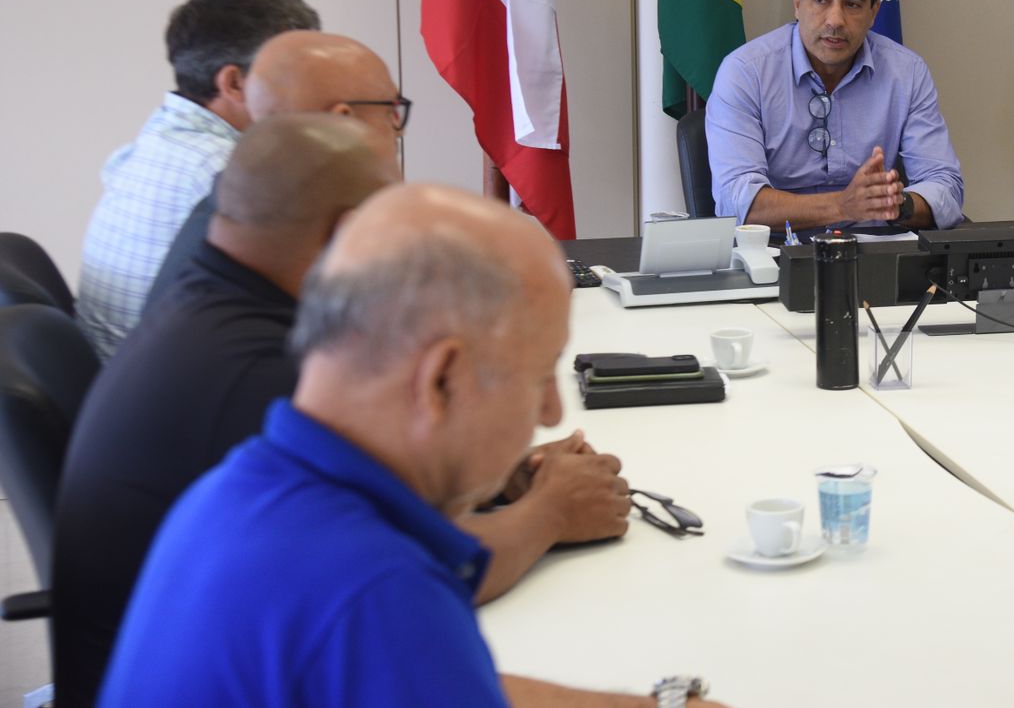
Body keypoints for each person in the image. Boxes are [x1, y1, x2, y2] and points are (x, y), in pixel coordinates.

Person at [55, 119, 631, 708]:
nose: (552, 411)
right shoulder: (375, 588)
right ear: (439, 380)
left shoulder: (238, 484)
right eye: (539, 376)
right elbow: (391, 643)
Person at [77, 0, 320, 357]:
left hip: (119, 380)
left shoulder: (157, 137)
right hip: (162, 394)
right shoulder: (227, 171)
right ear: (235, 83)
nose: (311, 94)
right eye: (298, 74)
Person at [705, 0, 963, 230]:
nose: (835, 20)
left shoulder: (907, 73)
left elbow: (947, 189)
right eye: (821, 0)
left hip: (874, 255)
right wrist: (843, 205)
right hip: (776, 257)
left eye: (852, 4)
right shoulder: (745, 73)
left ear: (874, 13)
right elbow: (737, 203)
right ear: (797, 2)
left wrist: (896, 204)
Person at [146, 29, 410, 305]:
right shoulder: (303, 223)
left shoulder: (246, 194)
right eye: (390, 109)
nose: (398, 129)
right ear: (343, 121)